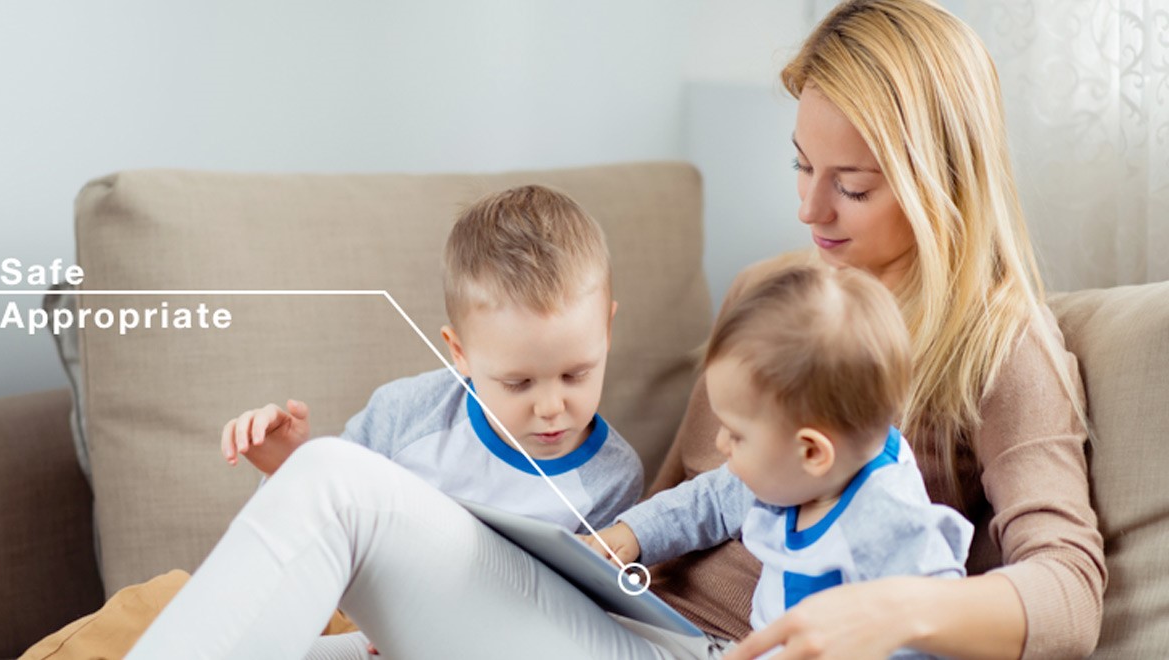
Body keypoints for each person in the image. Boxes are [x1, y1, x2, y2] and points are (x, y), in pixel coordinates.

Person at [129, 1, 1106, 658]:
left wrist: (896, 609)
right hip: (619, 620)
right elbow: (684, 501)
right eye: (800, 167)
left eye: (852, 185)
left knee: (339, 483)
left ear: (945, 177)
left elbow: (1070, 590)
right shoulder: (776, 291)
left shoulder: (1000, 345)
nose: (812, 211)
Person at [587, 264, 972, 659]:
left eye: (736, 434)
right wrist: (633, 534)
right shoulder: (784, 476)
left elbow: (942, 621)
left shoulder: (889, 523)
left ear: (812, 452)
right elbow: (710, 502)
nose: (720, 443)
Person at [219, 184, 643, 535]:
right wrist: (290, 467)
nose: (551, 407)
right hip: (343, 609)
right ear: (459, 352)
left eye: (575, 374)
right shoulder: (404, 415)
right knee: (165, 595)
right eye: (518, 383)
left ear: (606, 331)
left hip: (468, 635)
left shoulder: (612, 480)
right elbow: (304, 533)